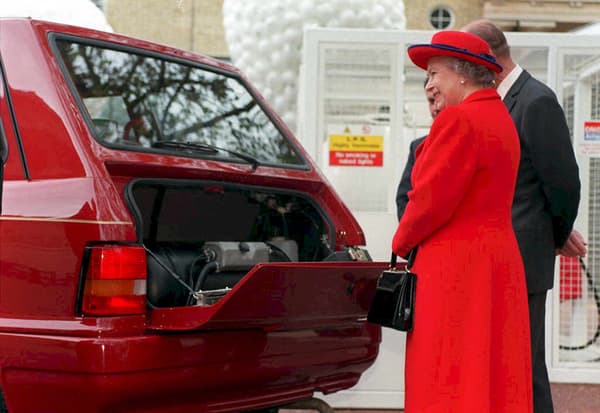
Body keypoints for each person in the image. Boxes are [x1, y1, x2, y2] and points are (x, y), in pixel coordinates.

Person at [392, 30, 532, 412]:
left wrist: (399, 244)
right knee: (491, 371)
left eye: (434, 74)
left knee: (445, 374)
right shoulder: (500, 117)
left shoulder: (458, 120)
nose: (430, 86)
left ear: (463, 73)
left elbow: (427, 202)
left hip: (453, 270)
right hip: (497, 261)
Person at [462, 20, 585, 413]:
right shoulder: (498, 102)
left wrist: (555, 235)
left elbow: (564, 181)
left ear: (490, 58)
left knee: (526, 364)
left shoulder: (535, 101)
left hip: (525, 256)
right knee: (506, 362)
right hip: (500, 255)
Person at [396, 81, 439, 220]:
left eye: (439, 99)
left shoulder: (471, 142)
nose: (436, 107)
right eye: (431, 101)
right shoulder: (418, 147)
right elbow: (403, 199)